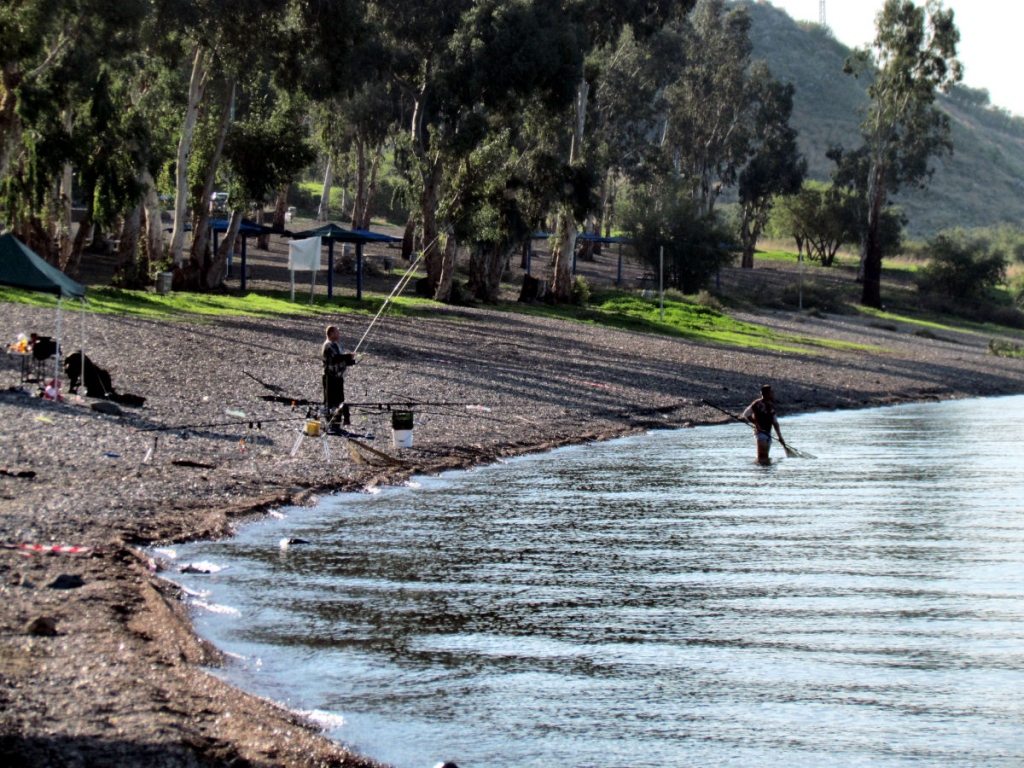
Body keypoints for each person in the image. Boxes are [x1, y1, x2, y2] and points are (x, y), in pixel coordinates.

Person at [322, 325, 355, 431]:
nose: (338, 334)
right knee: (330, 401)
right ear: (331, 333)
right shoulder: (328, 345)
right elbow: (335, 358)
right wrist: (347, 356)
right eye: (336, 332)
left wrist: (352, 361)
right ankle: (330, 423)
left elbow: (342, 360)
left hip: (339, 377)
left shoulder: (338, 346)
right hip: (330, 378)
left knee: (340, 400)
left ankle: (337, 423)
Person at [742, 384, 786, 465]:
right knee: (762, 457)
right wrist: (756, 423)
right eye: (771, 392)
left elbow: (775, 422)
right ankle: (761, 473)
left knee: (766, 457)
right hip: (760, 433)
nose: (773, 393)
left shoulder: (771, 405)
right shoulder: (757, 404)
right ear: (766, 393)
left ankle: (766, 474)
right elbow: (746, 414)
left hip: (768, 433)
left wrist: (780, 437)